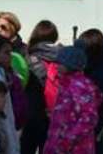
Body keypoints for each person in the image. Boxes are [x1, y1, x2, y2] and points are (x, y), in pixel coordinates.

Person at [43, 46, 102, 154]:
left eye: (60, 63)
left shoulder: (79, 86)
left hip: (75, 147)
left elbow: (88, 118)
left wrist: (67, 140)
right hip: (60, 144)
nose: (56, 66)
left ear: (70, 65)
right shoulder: (66, 84)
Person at [22, 21, 62, 154]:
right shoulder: (63, 57)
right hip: (56, 114)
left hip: (32, 113)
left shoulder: (29, 57)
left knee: (27, 148)